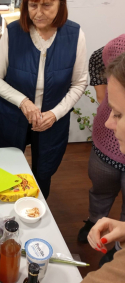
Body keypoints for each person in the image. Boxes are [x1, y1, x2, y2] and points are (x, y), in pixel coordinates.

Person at [0, 0, 88, 199]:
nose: (38, 13)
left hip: (52, 120)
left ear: (61, 3)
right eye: (33, 5)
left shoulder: (74, 35)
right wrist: (23, 101)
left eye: (47, 5)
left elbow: (80, 82)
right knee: (9, 168)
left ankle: (35, 209)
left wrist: (55, 114)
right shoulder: (14, 32)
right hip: (13, 116)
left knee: (43, 172)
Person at [78, 35, 125, 267]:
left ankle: (119, 250)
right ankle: (94, 222)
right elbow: (98, 57)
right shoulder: (118, 47)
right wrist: (103, 95)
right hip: (106, 151)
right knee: (101, 189)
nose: (108, 120)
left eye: (118, 114)